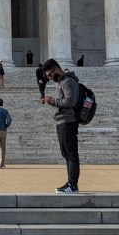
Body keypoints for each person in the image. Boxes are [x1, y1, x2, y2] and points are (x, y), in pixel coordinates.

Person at [41, 58, 81, 193]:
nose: (49, 77)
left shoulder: (68, 81)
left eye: (49, 74)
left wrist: (52, 101)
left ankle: (73, 185)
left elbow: (70, 101)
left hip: (68, 121)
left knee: (71, 154)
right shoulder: (62, 82)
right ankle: (70, 183)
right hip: (62, 121)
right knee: (68, 154)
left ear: (56, 69)